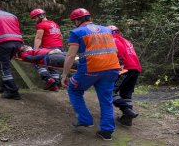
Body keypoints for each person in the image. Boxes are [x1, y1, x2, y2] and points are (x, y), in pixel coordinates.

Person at [61, 8, 121, 141]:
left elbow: (71, 55)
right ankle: (106, 132)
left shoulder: (77, 32)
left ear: (77, 21)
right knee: (106, 100)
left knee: (73, 89)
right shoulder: (107, 30)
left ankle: (85, 119)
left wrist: (64, 75)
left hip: (90, 69)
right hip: (112, 68)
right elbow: (114, 50)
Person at [108, 25, 142, 126]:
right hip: (136, 68)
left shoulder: (113, 39)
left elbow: (120, 53)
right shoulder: (126, 40)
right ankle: (127, 120)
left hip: (125, 69)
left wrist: (119, 64)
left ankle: (126, 109)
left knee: (110, 91)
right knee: (126, 93)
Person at [30, 8, 64, 91]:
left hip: (49, 48)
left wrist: (35, 51)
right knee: (53, 65)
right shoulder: (54, 24)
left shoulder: (41, 25)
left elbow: (38, 38)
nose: (34, 20)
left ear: (41, 16)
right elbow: (61, 36)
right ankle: (55, 83)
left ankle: (49, 80)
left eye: (35, 18)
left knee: (37, 62)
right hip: (59, 48)